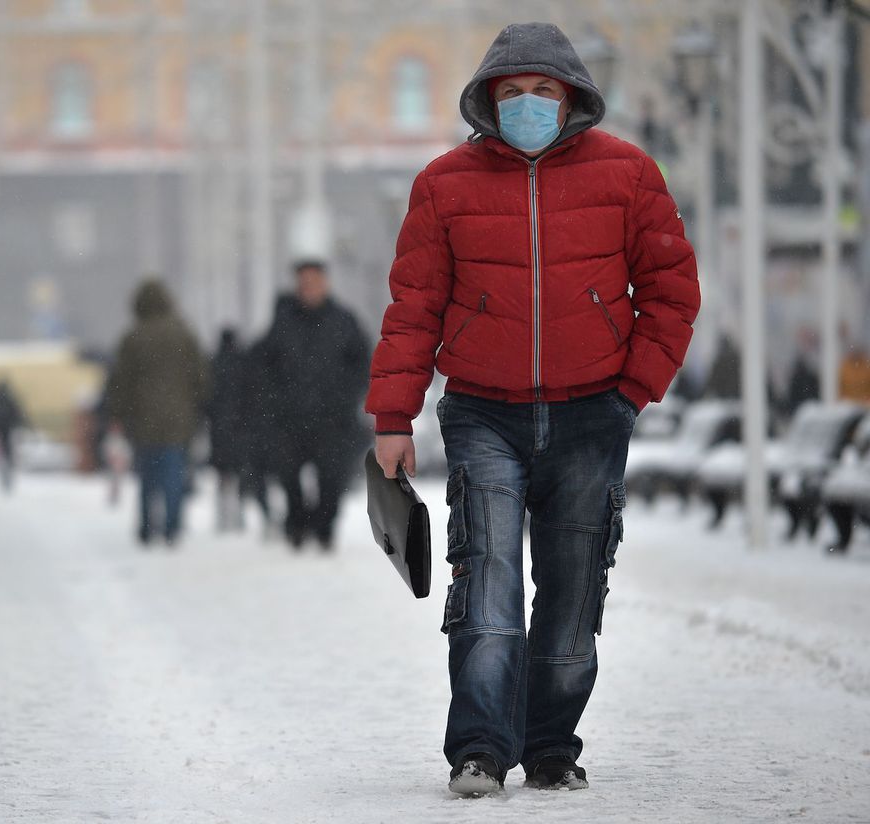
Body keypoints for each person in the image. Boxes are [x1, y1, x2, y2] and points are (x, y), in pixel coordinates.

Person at [367, 23, 700, 797]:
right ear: (487, 100)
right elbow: (412, 308)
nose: (525, 105)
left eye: (542, 92)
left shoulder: (629, 174)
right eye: (510, 93)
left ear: (572, 98)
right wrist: (392, 419)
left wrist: (631, 392)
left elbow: (672, 293)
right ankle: (479, 747)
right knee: (485, 582)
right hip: (484, 413)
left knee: (574, 588)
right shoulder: (444, 184)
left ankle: (552, 745)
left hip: (593, 414)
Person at [260, 260, 370, 549]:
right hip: (290, 418)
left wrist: (347, 396)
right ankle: (296, 525)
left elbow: (363, 362)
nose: (308, 288)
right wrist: (275, 400)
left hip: (333, 418)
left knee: (332, 479)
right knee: (288, 476)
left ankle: (324, 527)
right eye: (303, 283)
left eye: (313, 281)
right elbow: (265, 365)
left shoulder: (344, 320)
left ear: (325, 283)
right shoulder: (283, 321)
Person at [106, 280, 208, 546]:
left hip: (142, 419)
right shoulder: (183, 334)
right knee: (173, 474)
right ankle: (173, 527)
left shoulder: (133, 337)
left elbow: (121, 382)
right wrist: (199, 407)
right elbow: (200, 376)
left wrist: (118, 414)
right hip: (179, 418)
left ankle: (147, 526)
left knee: (147, 477)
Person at [208, 329, 248, 531]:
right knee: (240, 471)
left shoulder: (213, 363)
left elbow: (206, 397)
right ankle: (240, 514)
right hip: (240, 426)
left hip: (219, 427)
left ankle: (222, 516)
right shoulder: (244, 363)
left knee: (222, 474)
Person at [0, 380, 27, 492]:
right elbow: (18, 414)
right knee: (7, 455)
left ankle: (4, 478)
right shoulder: (9, 400)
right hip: (7, 431)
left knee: (0, 456)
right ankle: (7, 478)